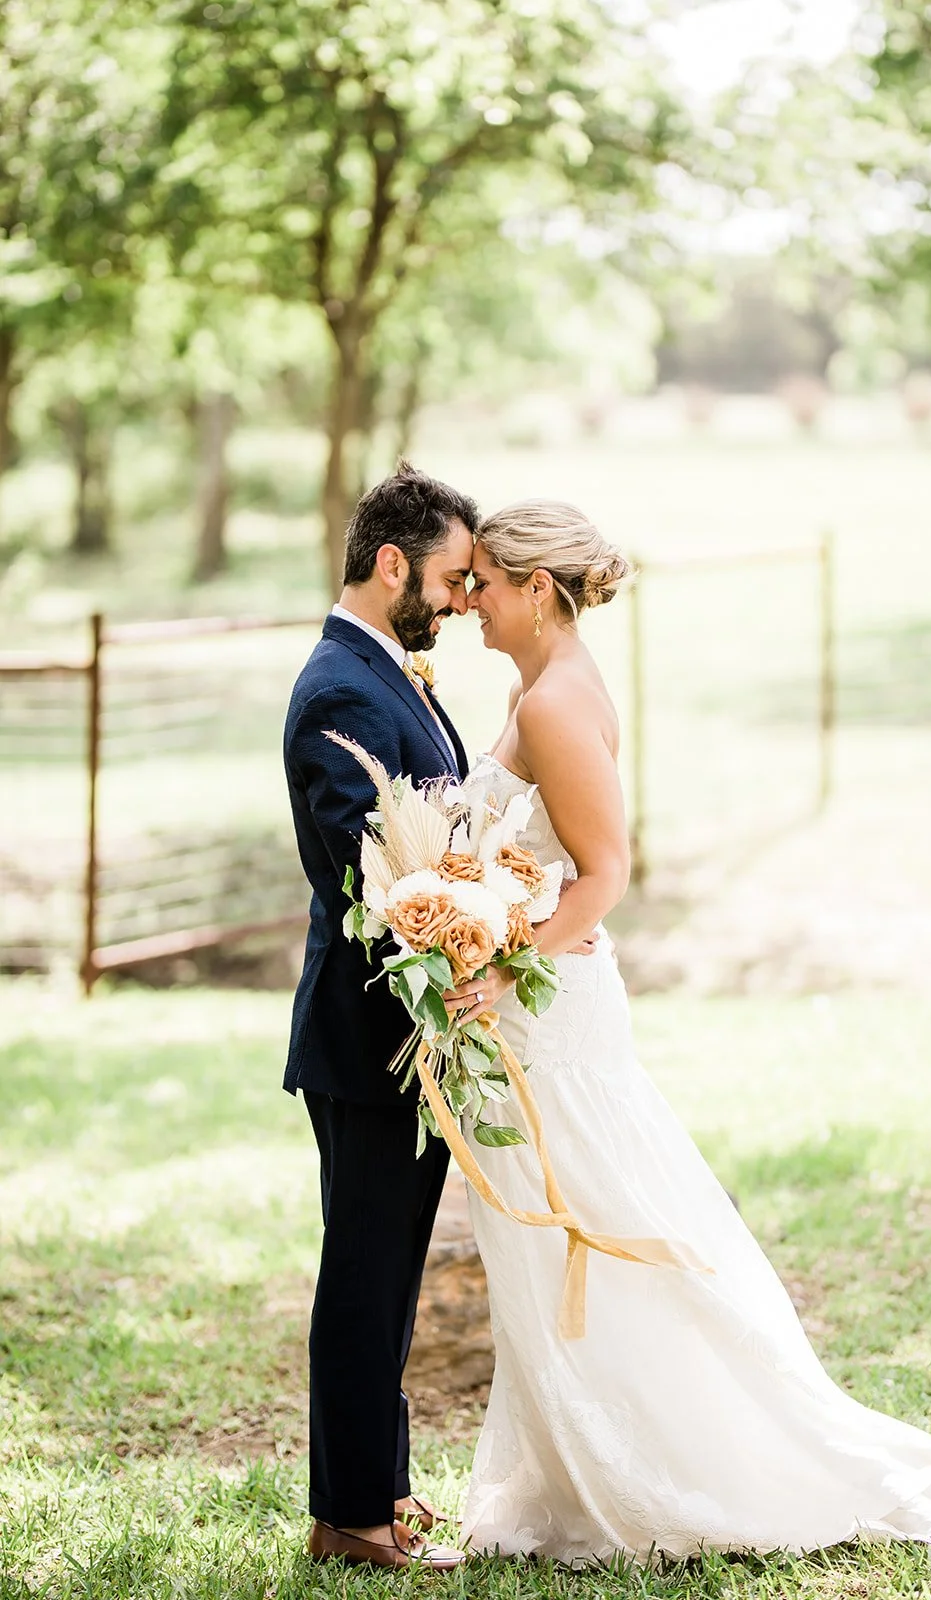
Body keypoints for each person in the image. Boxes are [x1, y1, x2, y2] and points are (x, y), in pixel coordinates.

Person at [442, 497, 931, 1564]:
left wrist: (497, 960)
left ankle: (676, 1464)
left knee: (600, 1230)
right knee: (564, 1238)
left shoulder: (553, 702)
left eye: (485, 585)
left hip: (555, 1017)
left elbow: (604, 877)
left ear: (537, 590)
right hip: (530, 1004)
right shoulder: (539, 684)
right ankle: (577, 1473)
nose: (467, 604)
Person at [282, 461, 477, 1572]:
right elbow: (373, 881)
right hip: (369, 1039)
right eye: (450, 577)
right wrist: (466, 921)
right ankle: (348, 1515)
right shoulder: (341, 691)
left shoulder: (381, 670)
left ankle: (380, 1493)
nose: (457, 599)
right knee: (364, 1271)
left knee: (389, 1270)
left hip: (403, 1035)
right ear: (391, 561)